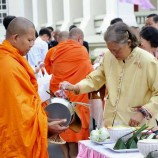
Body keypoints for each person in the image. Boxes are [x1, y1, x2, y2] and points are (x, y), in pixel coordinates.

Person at [60, 22, 158, 130]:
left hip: (139, 127)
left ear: (129, 43)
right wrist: (76, 87)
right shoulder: (108, 57)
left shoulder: (147, 61)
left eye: (116, 50)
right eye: (110, 50)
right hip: (112, 124)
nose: (114, 54)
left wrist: (143, 112)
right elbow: (95, 78)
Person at [0, 17, 68, 157]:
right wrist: (45, 126)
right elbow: (18, 113)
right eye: (29, 40)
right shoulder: (8, 65)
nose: (32, 44)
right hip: (15, 140)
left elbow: (28, 102)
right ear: (16, 38)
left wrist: (44, 119)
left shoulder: (13, 59)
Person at [48, 27, 93, 158]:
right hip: (76, 95)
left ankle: (65, 155)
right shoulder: (81, 50)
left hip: (59, 95)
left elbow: (50, 69)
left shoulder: (56, 50)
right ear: (80, 39)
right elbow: (89, 72)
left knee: (61, 125)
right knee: (75, 130)